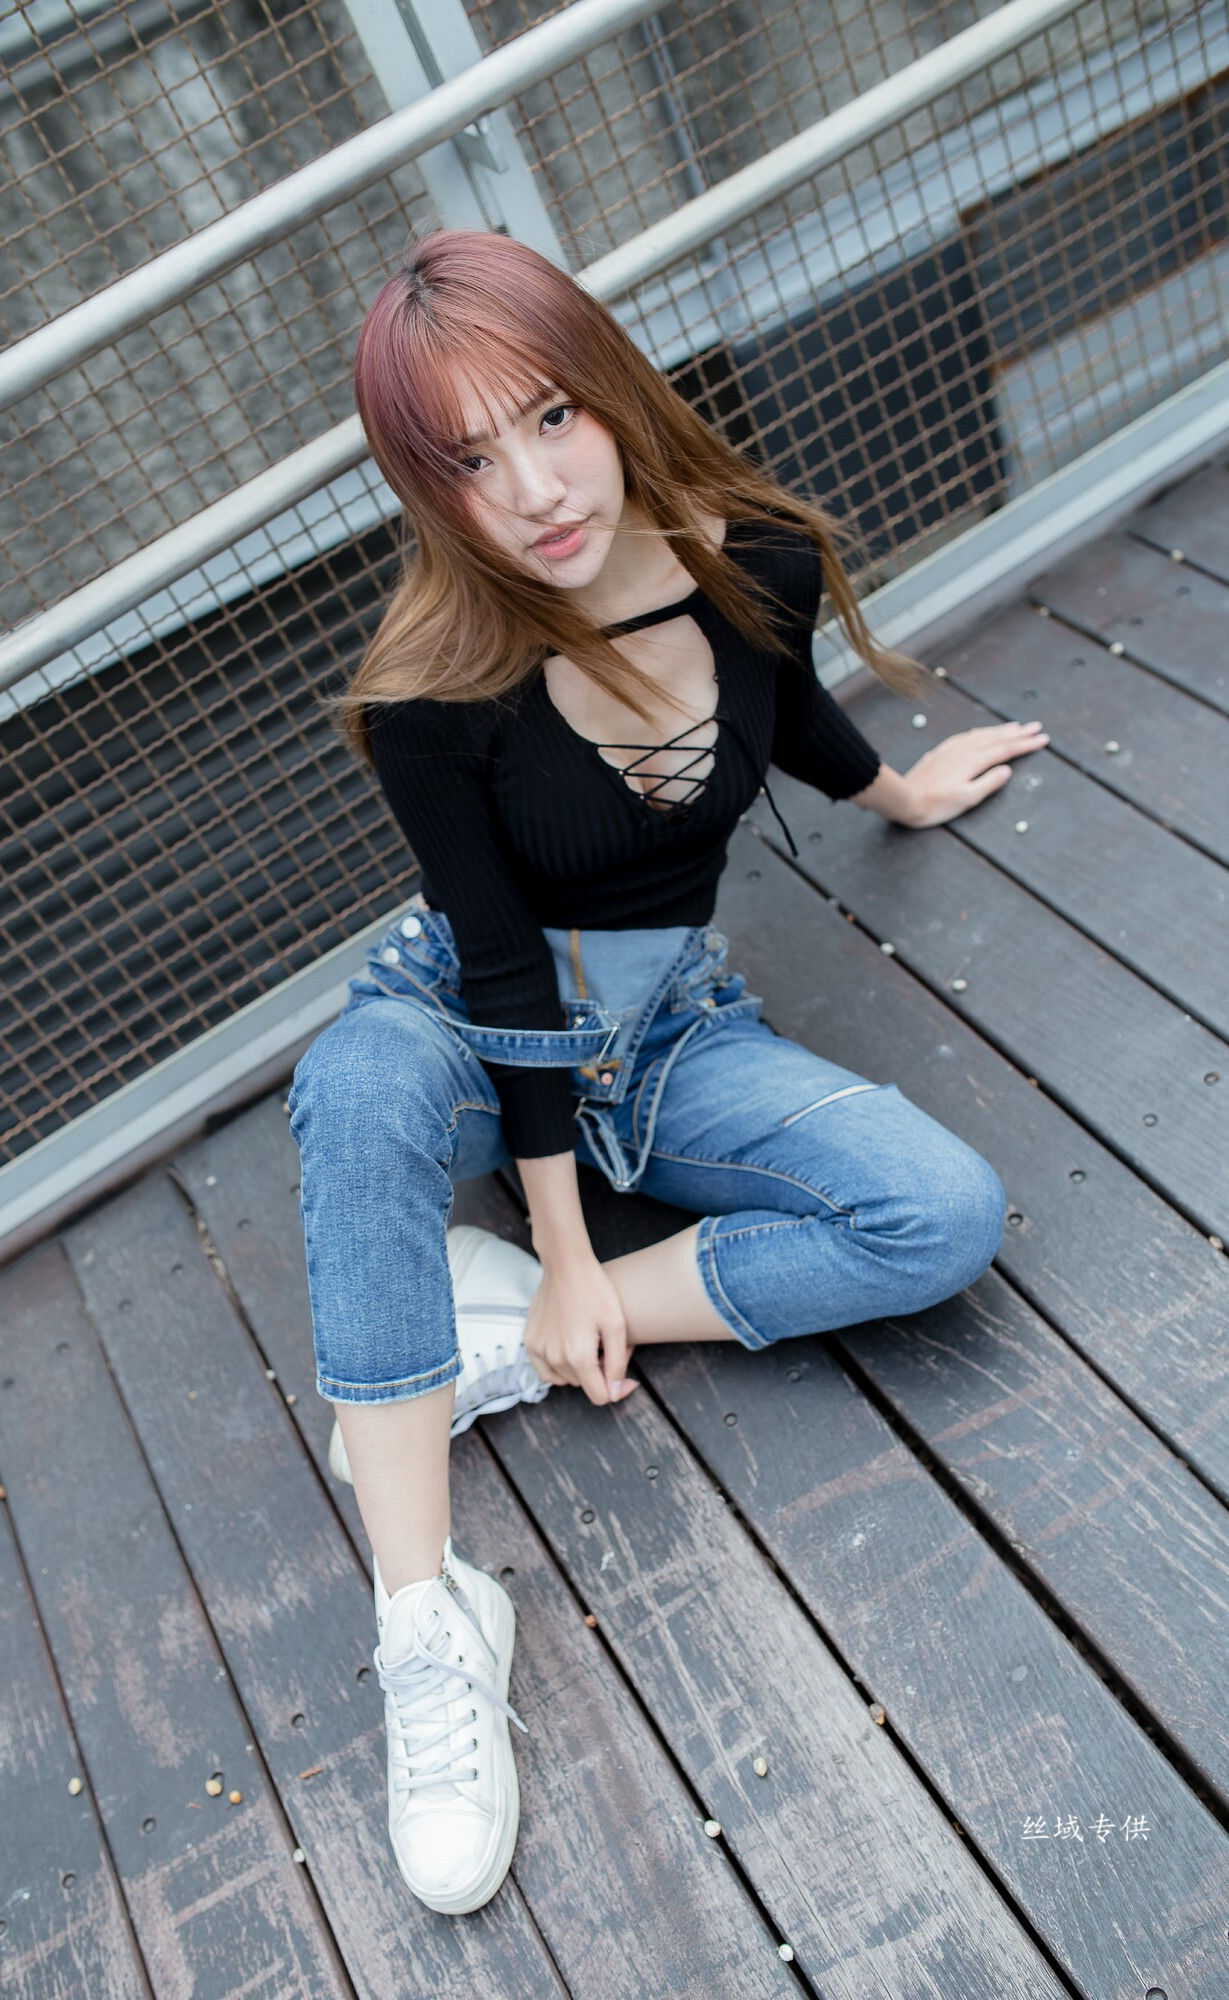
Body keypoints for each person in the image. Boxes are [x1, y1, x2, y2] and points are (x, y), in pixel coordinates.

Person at [287, 227, 1048, 1917]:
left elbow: (790, 714)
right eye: (468, 460)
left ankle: (461, 1347)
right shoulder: (434, 688)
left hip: (667, 1025)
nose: (532, 490)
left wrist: (903, 793)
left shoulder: (750, 555)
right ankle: (428, 1620)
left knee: (940, 1216)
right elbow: (500, 970)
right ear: (425, 490)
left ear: (609, 388)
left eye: (550, 416)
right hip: (469, 1029)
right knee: (358, 1090)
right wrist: (561, 1243)